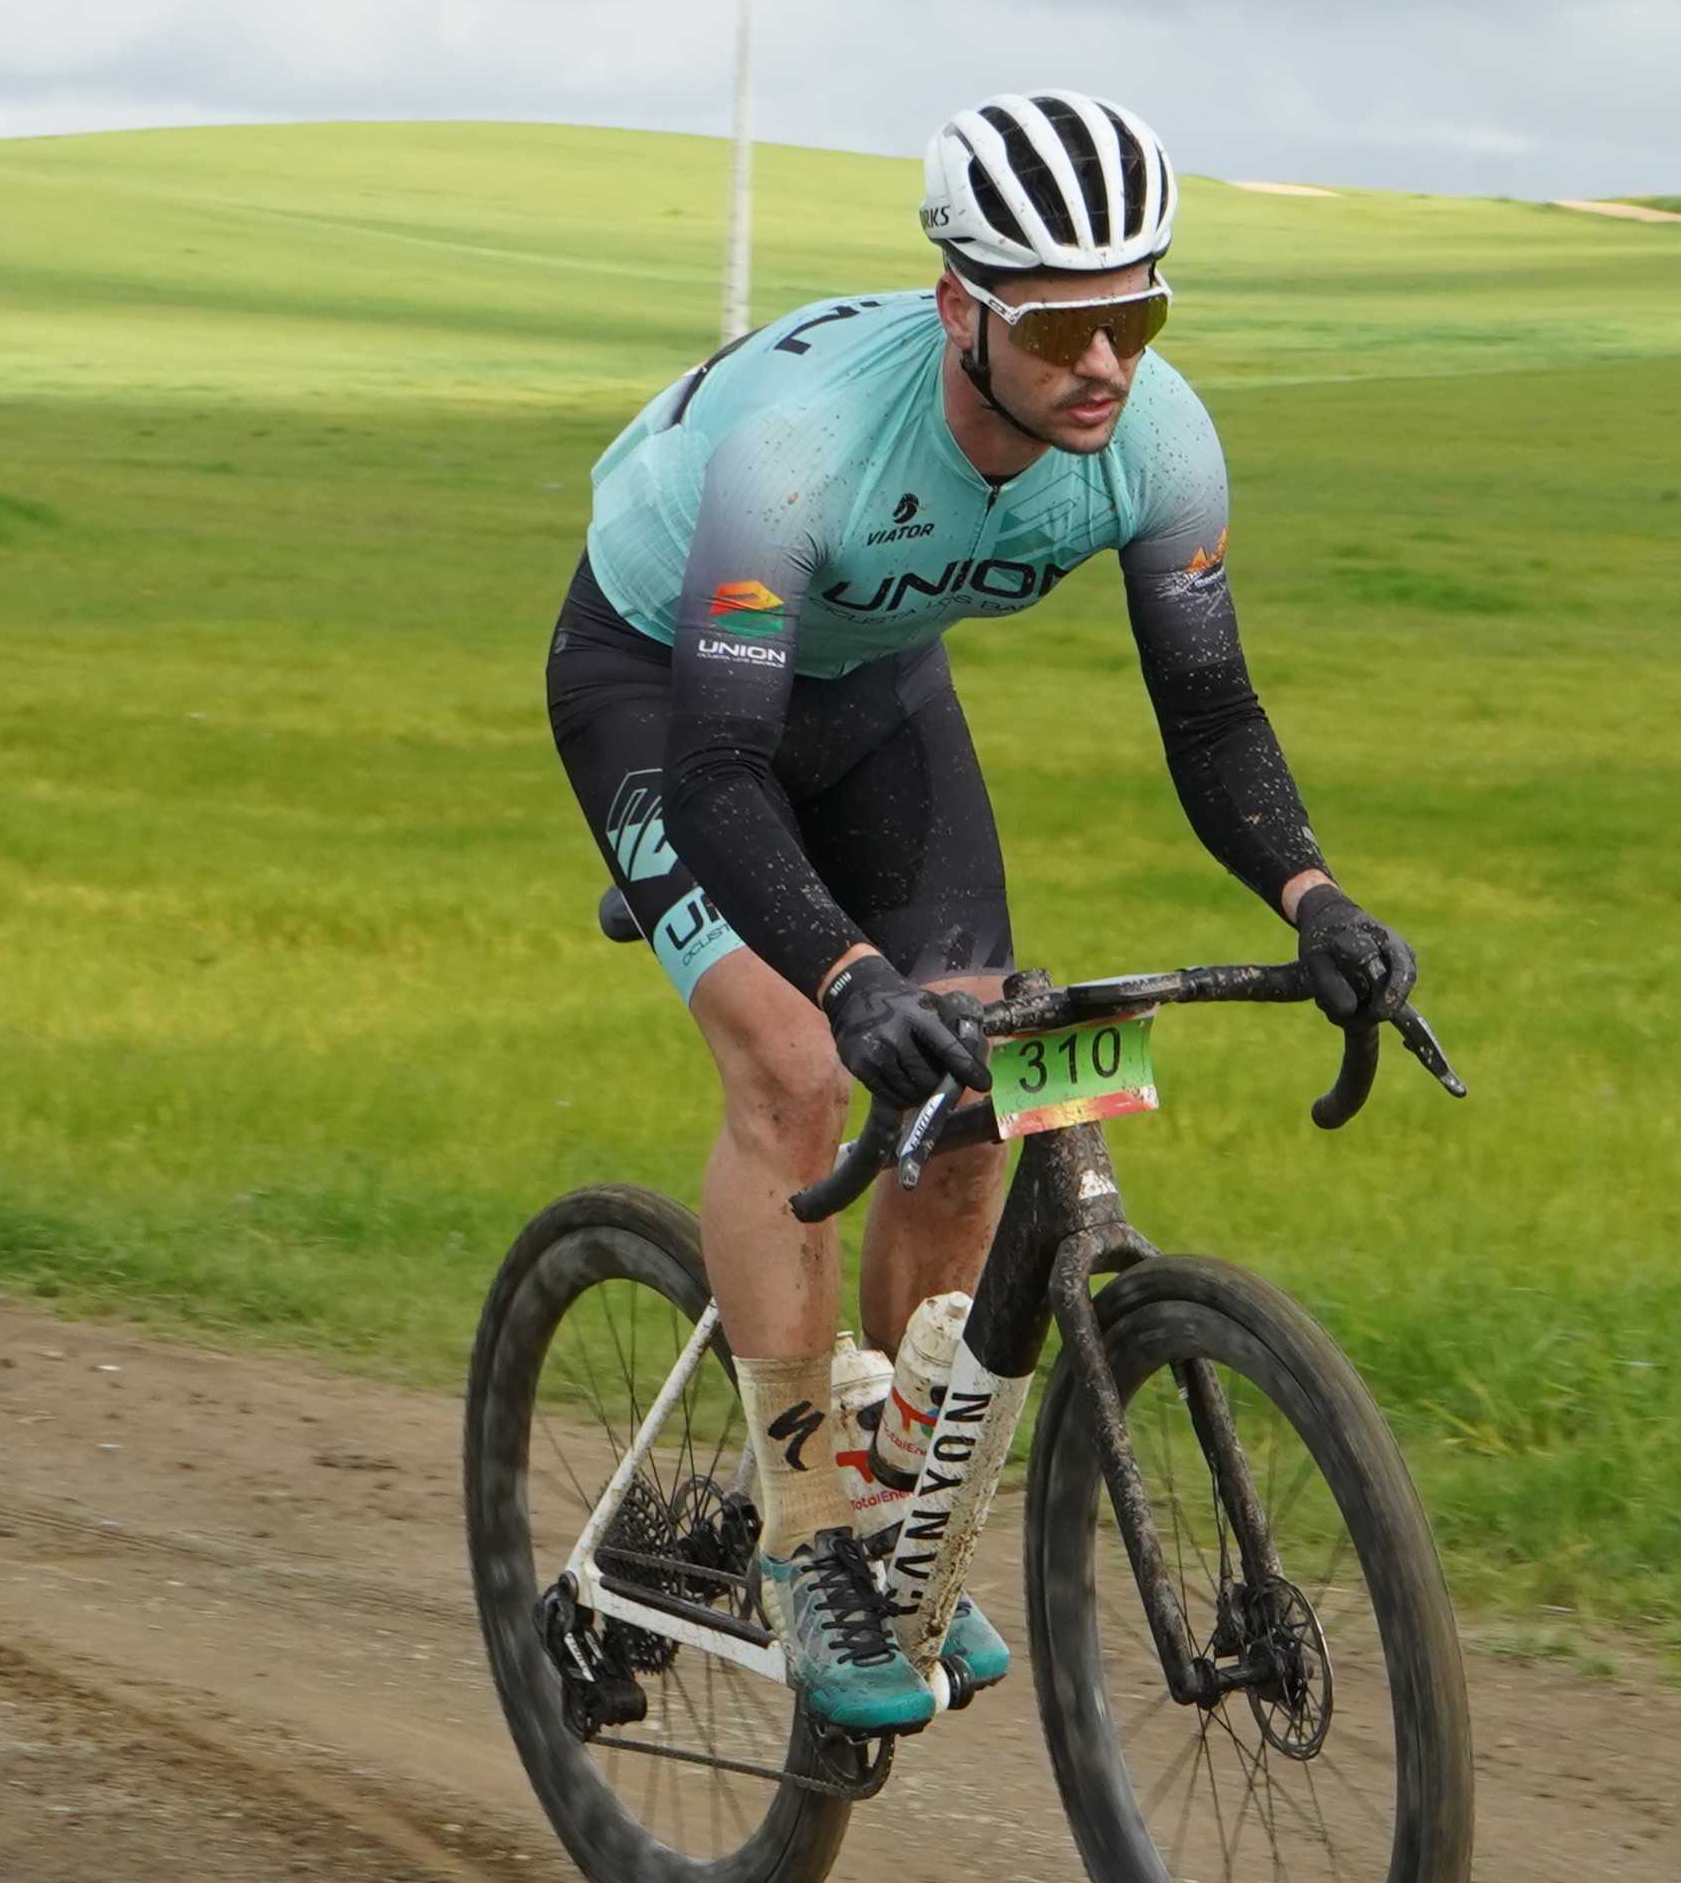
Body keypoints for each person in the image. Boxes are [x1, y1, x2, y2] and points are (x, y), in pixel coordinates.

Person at [546, 91, 1418, 1736]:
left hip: (869, 688)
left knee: (976, 1093)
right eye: (1066, 324)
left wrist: (1316, 896)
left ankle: (892, 1502)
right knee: (803, 1071)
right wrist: (848, 973)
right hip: (667, 696)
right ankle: (812, 1534)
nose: (1108, 362)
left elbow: (1212, 716)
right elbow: (726, 770)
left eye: (1137, 314)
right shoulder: (803, 454)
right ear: (962, 308)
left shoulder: (1157, 442)